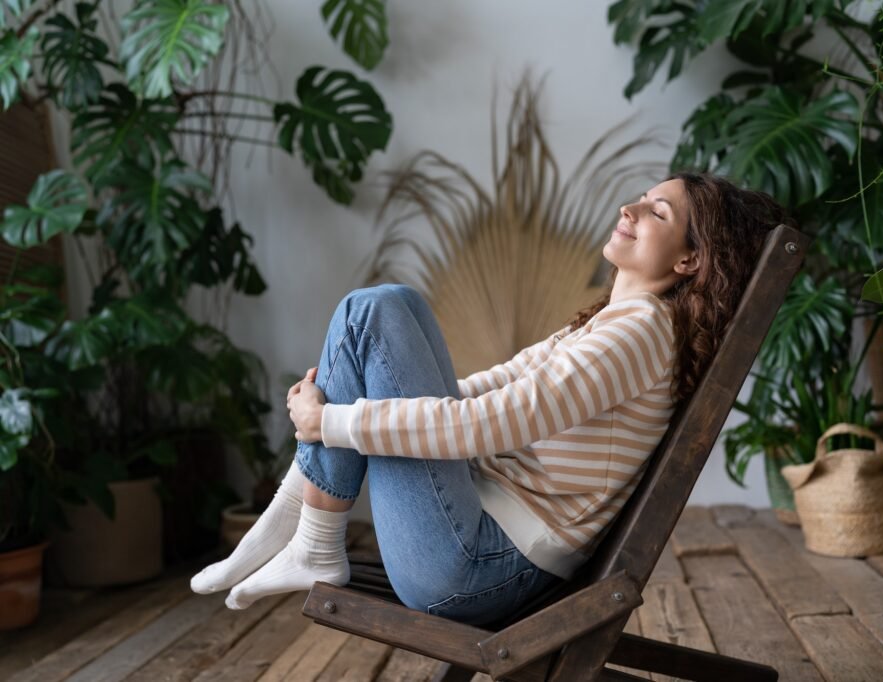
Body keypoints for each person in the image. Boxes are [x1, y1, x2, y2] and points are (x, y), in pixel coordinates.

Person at [190, 172, 791, 625]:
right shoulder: (617, 323)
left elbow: (489, 424)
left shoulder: (637, 334)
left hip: (472, 569)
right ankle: (304, 524)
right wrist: (331, 420)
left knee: (372, 310)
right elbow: (490, 387)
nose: (629, 209)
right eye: (640, 198)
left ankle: (309, 531)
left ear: (690, 259)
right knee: (388, 305)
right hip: (475, 550)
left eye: (656, 212)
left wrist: (329, 423)